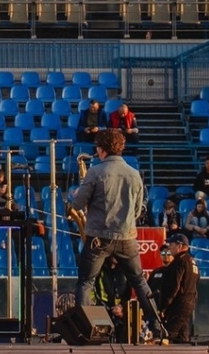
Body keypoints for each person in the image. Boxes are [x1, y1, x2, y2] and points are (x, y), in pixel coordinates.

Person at [68, 130, 163, 336]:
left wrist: (76, 194)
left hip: (98, 237)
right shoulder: (134, 174)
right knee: (139, 281)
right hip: (126, 237)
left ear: (102, 149)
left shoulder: (95, 172)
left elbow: (77, 204)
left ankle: (84, 329)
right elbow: (137, 211)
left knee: (86, 282)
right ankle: (156, 325)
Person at [149, 233, 200, 343]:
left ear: (179, 246)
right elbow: (196, 282)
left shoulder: (179, 261)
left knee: (168, 334)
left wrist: (163, 307)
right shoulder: (192, 261)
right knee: (181, 334)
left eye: (171, 245)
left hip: (179, 303)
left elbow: (173, 287)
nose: (170, 248)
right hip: (189, 302)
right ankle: (184, 352)